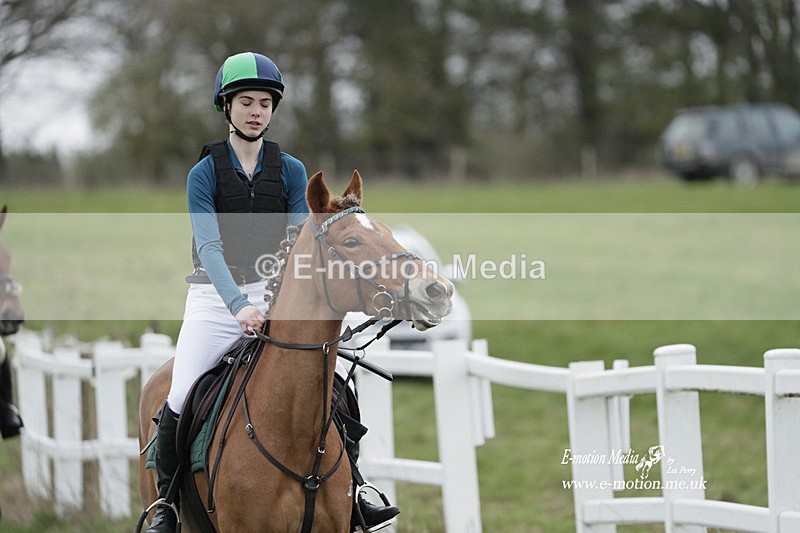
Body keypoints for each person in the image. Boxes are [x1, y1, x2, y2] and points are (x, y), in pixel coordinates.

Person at [146, 52, 399, 533]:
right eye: (246, 101)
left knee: (334, 391)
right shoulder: (202, 175)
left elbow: (301, 241)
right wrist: (239, 305)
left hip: (274, 293)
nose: (256, 110)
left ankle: (356, 488)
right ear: (227, 107)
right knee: (179, 395)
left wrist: (285, 300)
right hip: (214, 299)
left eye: (265, 102)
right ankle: (167, 503)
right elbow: (210, 247)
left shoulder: (290, 170)